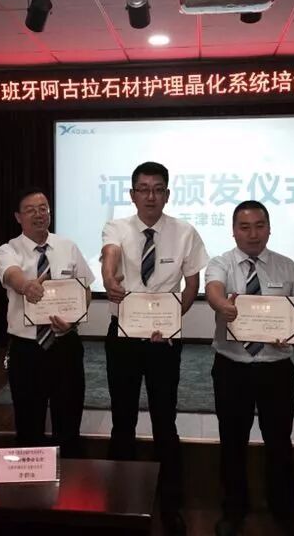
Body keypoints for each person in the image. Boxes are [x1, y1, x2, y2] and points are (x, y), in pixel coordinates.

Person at [101, 161, 209, 536]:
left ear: (167, 194)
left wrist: (174, 317)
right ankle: (121, 501)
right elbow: (110, 256)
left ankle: (170, 504)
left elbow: (192, 284)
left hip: (165, 339)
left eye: (158, 189)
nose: (151, 196)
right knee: (122, 420)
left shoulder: (185, 232)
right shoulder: (117, 227)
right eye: (143, 189)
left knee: (165, 421)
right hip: (124, 336)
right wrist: (109, 279)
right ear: (132, 195)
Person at [205, 200, 294, 536]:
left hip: (275, 368)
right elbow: (213, 290)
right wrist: (222, 305)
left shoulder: (286, 266)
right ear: (233, 231)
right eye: (245, 227)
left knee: (279, 442)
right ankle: (233, 511)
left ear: (269, 228)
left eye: (259, 226)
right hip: (232, 367)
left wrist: (290, 328)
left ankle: (285, 512)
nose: (253, 234)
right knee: (232, 441)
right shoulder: (221, 263)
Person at [0, 188, 94, 458]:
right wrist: (27, 286)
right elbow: (12, 274)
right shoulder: (7, 250)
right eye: (30, 210)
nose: (38, 214)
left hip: (65, 345)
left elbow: (85, 288)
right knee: (29, 424)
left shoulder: (67, 246)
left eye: (43, 208)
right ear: (18, 217)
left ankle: (70, 477)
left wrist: (73, 319)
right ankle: (31, 481)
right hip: (27, 350)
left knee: (69, 421)